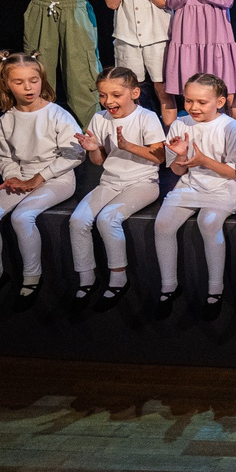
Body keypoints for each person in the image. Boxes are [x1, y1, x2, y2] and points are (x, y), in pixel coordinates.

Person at [0, 51, 83, 304]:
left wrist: (39, 178)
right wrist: (13, 177)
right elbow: (4, 156)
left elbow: (75, 155)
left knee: (22, 216)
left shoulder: (57, 114)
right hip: (22, 176)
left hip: (57, 178)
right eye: (19, 82)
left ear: (42, 79)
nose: (28, 87)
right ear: (6, 84)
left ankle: (32, 277)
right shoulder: (7, 119)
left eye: (33, 80)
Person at [69, 67, 166, 303]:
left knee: (108, 219)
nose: (108, 101)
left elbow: (160, 157)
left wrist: (128, 146)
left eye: (116, 95)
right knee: (78, 220)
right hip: (110, 181)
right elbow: (99, 161)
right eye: (103, 95)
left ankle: (118, 279)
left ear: (134, 93)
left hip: (143, 182)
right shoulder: (99, 118)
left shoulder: (146, 117)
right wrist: (93, 149)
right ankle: (86, 278)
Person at [152, 73, 236, 316]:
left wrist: (204, 160)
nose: (194, 107)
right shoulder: (180, 124)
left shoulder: (231, 127)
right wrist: (181, 156)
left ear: (220, 102)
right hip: (191, 185)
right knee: (162, 224)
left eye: (202, 102)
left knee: (209, 222)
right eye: (189, 101)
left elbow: (234, 172)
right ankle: (169, 286)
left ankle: (215, 289)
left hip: (224, 187)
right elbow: (176, 170)